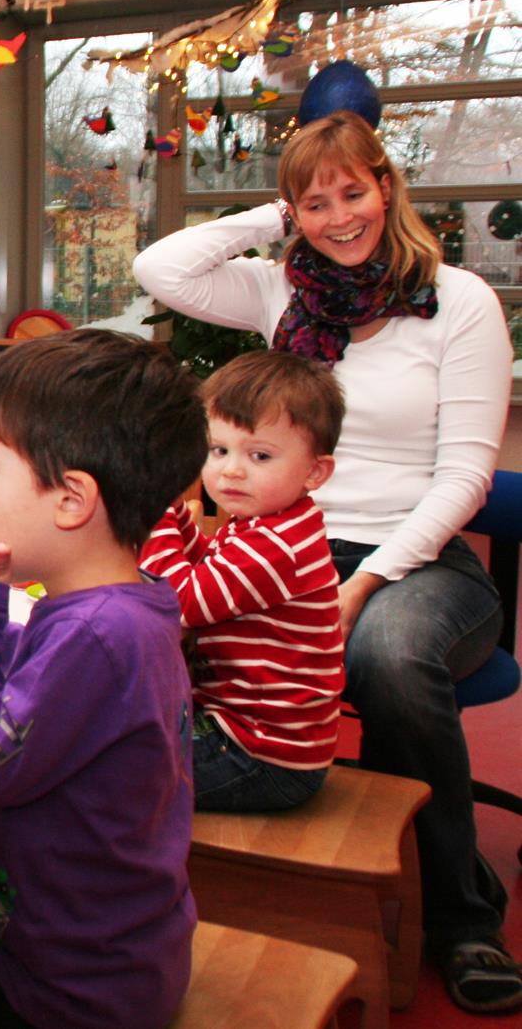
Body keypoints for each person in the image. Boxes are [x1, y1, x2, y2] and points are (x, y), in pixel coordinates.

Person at [134, 110, 520, 1015]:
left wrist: (365, 579)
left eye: (354, 192)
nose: (339, 217)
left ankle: (460, 913)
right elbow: (161, 269)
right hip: (279, 541)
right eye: (316, 202)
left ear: (388, 187)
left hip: (418, 558)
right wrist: (276, 219)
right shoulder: (281, 293)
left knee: (386, 653)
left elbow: (467, 473)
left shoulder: (456, 299)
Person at [0, 329, 206, 1029]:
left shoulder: (98, 632)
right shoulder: (123, 603)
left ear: (71, 501)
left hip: (76, 990)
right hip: (120, 935)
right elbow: (57, 669)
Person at [140, 349, 346, 811]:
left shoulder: (278, 546)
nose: (231, 469)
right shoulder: (265, 522)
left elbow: (181, 601)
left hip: (258, 757)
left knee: (107, 769)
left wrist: (154, 515)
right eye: (219, 450)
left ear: (315, 471)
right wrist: (174, 514)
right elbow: (209, 570)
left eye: (259, 455)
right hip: (249, 736)